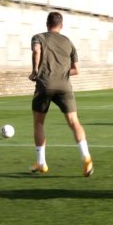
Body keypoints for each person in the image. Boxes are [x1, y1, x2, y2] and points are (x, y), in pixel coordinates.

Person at [28, 12, 93, 177]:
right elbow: (77, 70)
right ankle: (86, 157)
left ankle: (41, 162)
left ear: (46, 24)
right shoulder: (68, 42)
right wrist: (61, 73)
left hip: (44, 85)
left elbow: (36, 51)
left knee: (39, 123)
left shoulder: (38, 37)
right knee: (74, 121)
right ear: (61, 25)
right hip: (64, 86)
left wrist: (35, 71)